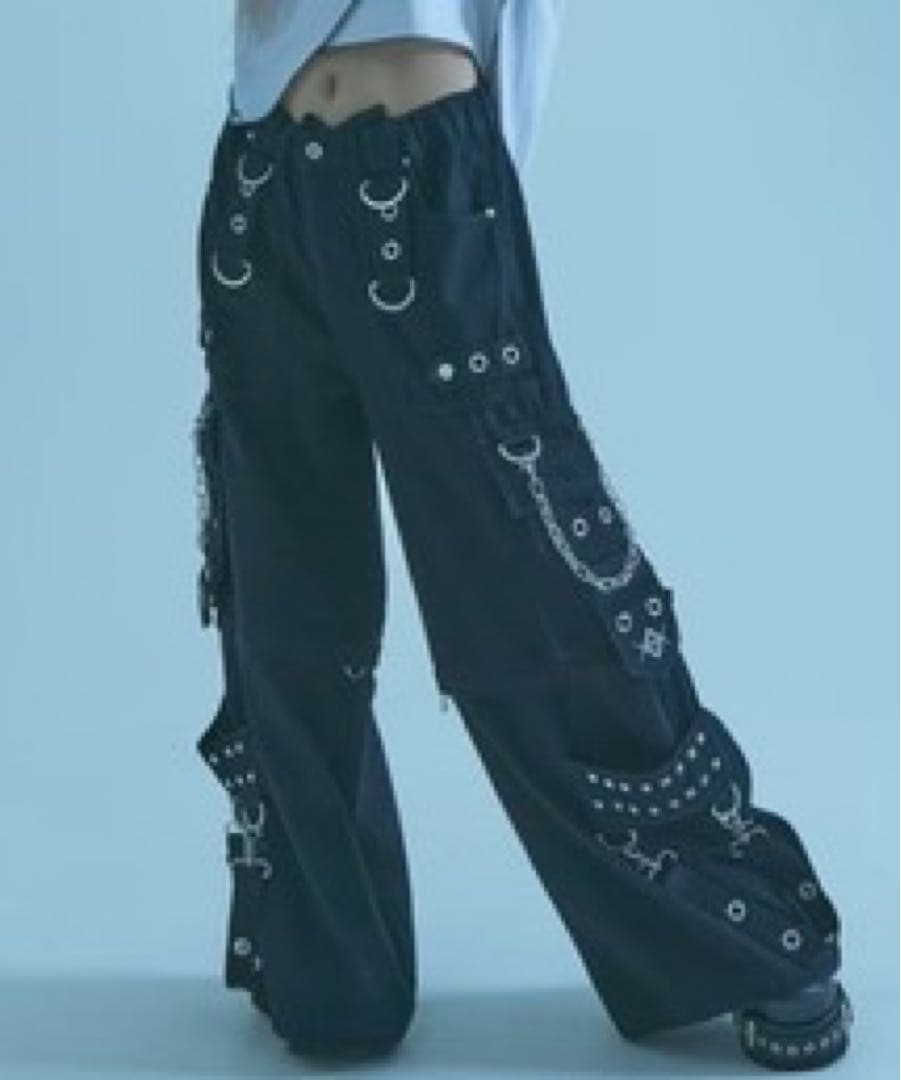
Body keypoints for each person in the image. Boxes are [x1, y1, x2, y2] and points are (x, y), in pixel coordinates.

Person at [192, 0, 853, 1069]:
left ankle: (739, 933)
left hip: (421, 177)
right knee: (284, 607)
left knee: (531, 581)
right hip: (260, 185)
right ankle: (330, 968)